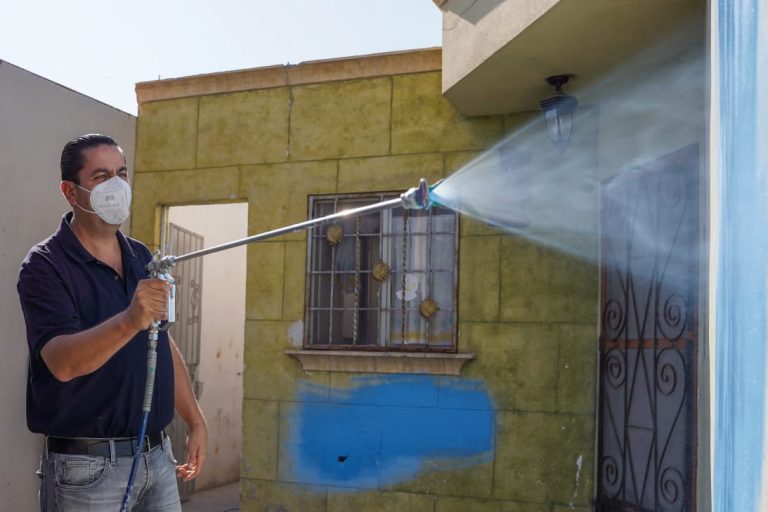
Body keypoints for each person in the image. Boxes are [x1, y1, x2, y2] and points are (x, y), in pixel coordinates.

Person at [17, 134, 208, 511]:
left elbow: (162, 341)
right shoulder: (45, 265)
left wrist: (195, 420)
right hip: (87, 470)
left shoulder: (139, 254)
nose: (117, 186)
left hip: (157, 455)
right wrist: (130, 319)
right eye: (101, 177)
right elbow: (62, 362)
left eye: (121, 173)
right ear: (71, 192)